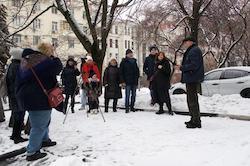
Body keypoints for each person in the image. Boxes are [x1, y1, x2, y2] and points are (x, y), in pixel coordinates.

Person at [16, 44, 62, 161]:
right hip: (38, 97)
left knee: (43, 120)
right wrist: (55, 57)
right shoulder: (44, 61)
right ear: (48, 52)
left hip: (29, 96)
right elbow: (58, 67)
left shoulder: (28, 60)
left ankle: (44, 140)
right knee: (39, 125)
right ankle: (32, 152)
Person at [175, 36, 204, 129]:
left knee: (192, 101)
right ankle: (193, 119)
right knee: (191, 100)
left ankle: (196, 121)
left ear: (190, 42)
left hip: (192, 78)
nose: (185, 44)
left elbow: (194, 65)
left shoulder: (194, 50)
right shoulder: (193, 50)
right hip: (191, 78)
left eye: (186, 42)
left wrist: (181, 68)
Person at [6, 48, 28, 144]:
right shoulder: (18, 66)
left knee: (16, 115)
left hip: (13, 95)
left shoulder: (11, 65)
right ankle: (17, 136)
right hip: (19, 95)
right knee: (20, 115)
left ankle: (15, 134)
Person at [120, 49, 139, 113]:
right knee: (127, 95)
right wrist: (122, 81)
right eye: (129, 53)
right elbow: (121, 72)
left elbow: (137, 71)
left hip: (134, 81)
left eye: (131, 53)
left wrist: (137, 78)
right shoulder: (123, 62)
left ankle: (132, 107)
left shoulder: (134, 61)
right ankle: (127, 107)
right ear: (126, 55)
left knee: (134, 95)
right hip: (127, 81)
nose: (130, 54)